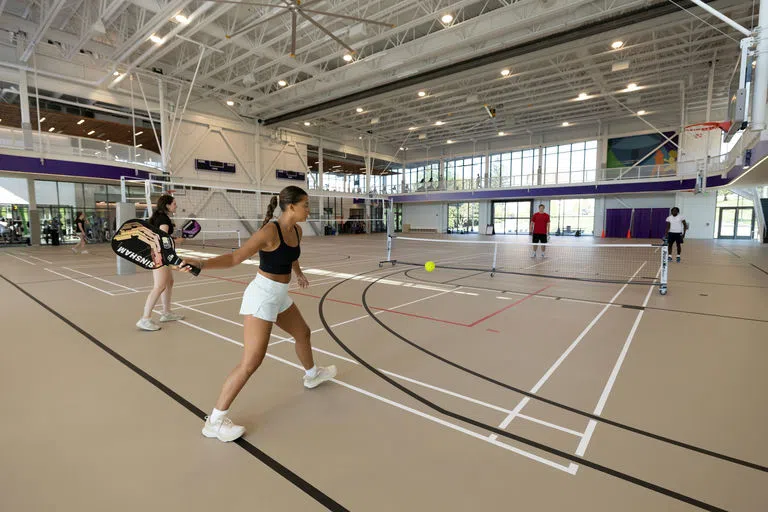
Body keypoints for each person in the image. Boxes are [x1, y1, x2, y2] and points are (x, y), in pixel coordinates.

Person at [179, 186, 337, 442]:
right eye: (306, 205)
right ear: (291, 207)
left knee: (303, 333)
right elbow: (234, 259)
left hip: (279, 295)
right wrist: (201, 263)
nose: (310, 209)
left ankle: (312, 375)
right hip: (262, 296)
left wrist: (298, 273)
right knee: (251, 361)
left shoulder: (296, 230)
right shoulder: (268, 232)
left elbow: (291, 255)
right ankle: (215, 421)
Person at [136, 194, 184, 331]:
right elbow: (161, 241)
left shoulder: (158, 217)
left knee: (169, 282)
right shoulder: (164, 219)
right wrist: (177, 241)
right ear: (168, 205)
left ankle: (166, 312)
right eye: (174, 203)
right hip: (159, 255)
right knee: (159, 286)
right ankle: (145, 319)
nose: (176, 206)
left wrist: (171, 238)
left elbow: (160, 235)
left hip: (159, 254)